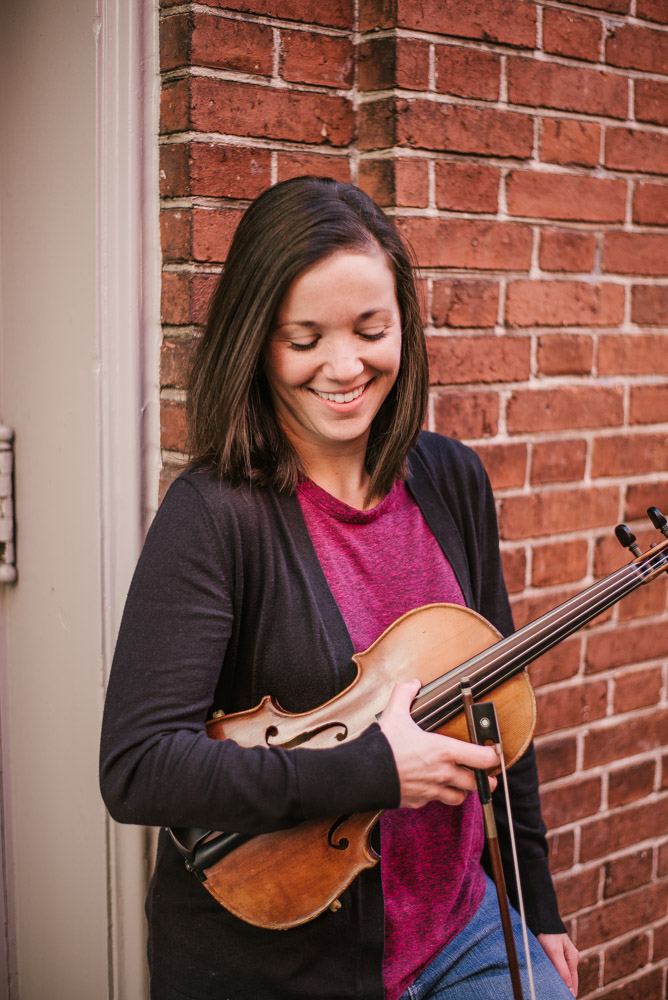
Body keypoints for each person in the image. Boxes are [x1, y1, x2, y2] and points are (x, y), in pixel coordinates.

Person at [100, 176, 579, 1000]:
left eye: (370, 330)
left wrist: (536, 905)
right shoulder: (212, 515)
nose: (345, 366)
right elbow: (139, 768)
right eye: (305, 338)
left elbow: (500, 703)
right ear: (257, 341)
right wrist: (372, 771)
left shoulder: (452, 479)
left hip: (461, 929)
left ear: (403, 328)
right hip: (279, 968)